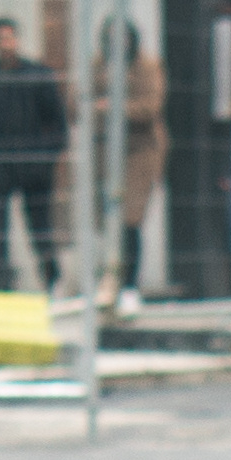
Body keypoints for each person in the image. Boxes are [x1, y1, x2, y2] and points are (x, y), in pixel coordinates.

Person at [0, 12, 61, 292]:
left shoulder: (37, 75)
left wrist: (46, 159)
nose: (6, 44)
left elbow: (56, 121)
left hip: (33, 165)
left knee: (40, 226)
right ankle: (0, 283)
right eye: (0, 39)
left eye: (10, 37)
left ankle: (50, 278)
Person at [90, 16, 162, 309]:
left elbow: (150, 107)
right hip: (105, 150)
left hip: (139, 151)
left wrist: (115, 107)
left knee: (130, 218)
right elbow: (80, 100)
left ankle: (130, 285)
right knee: (106, 218)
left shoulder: (147, 67)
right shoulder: (97, 66)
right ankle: (109, 281)